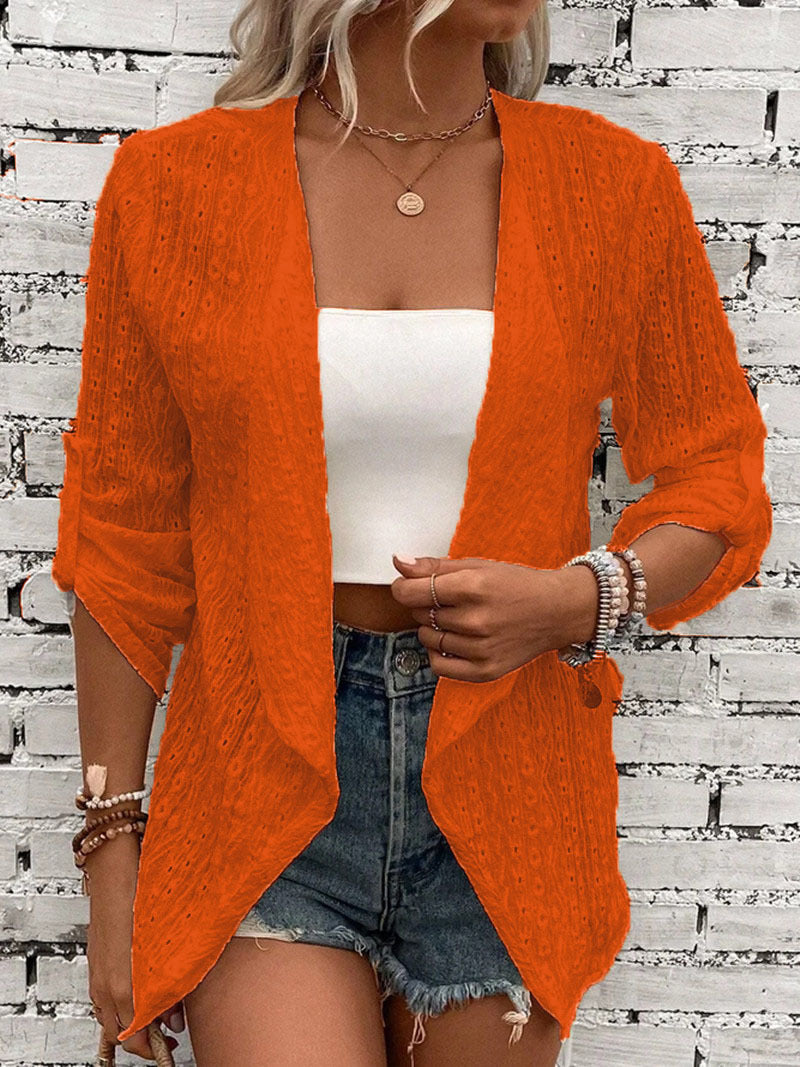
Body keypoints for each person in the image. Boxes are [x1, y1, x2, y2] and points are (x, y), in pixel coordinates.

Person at [53, 1, 773, 1064]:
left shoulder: (611, 186)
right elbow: (123, 539)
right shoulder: (175, 187)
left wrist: (571, 601)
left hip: (508, 784)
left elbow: (718, 477)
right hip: (262, 781)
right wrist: (112, 855)